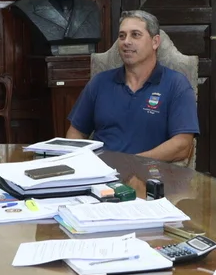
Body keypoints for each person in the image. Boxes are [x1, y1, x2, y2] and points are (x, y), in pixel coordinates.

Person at [66, 10, 199, 163]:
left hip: (150, 175)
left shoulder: (177, 84)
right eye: (122, 36)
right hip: (101, 176)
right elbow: (75, 133)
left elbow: (182, 145)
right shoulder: (99, 82)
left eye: (135, 34)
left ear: (155, 42)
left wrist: (134, 163)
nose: (126, 42)